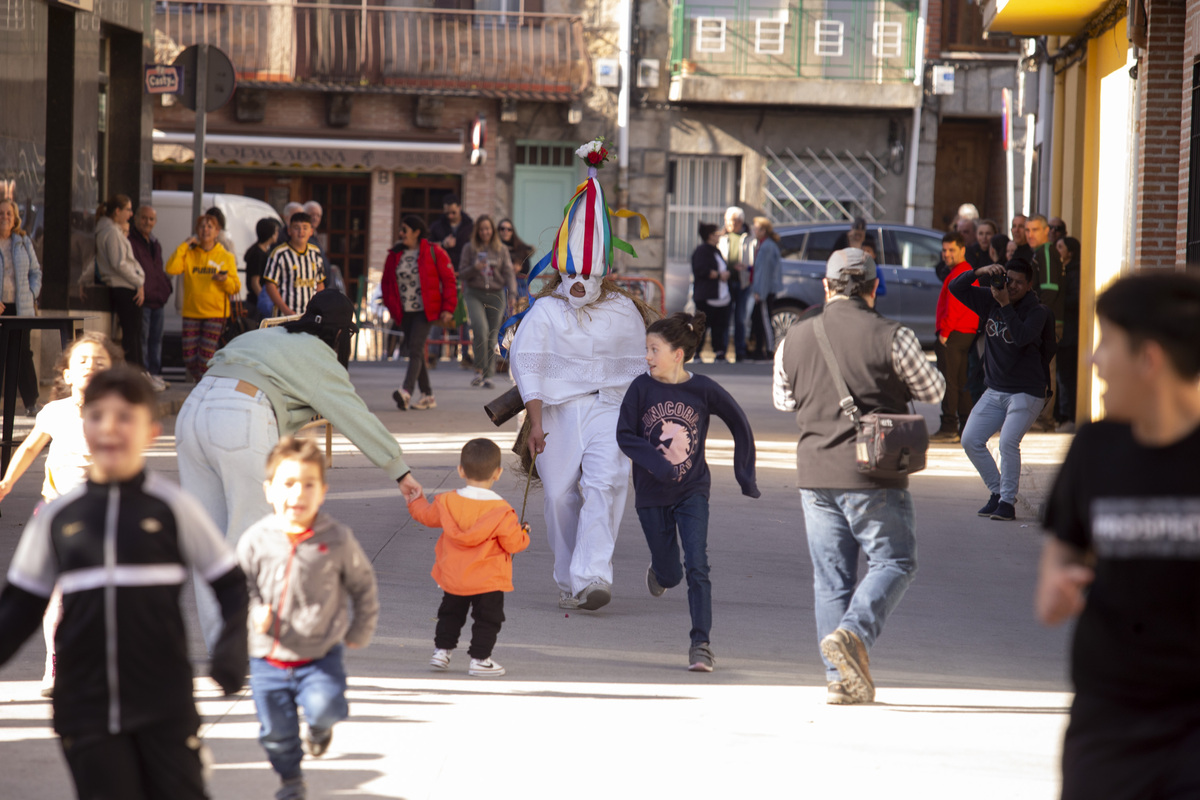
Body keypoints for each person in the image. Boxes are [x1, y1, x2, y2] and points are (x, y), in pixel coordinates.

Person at [0, 366, 248, 800]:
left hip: (164, 704)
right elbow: (18, 607)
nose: (110, 428)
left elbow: (231, 586)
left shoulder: (174, 507)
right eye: (97, 416)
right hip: (84, 706)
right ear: (84, 427)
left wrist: (231, 652)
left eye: (125, 417)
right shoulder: (58, 517)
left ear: (151, 432)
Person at [176, 290, 422, 650]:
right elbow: (355, 416)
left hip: (192, 413)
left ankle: (222, 646)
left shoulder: (264, 335)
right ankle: (249, 645)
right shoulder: (320, 356)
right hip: (239, 417)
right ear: (341, 335)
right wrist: (400, 470)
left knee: (210, 542)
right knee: (251, 539)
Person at [1036, 273, 1200, 800]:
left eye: (1105, 343)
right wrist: (1057, 586)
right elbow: (1058, 559)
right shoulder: (1094, 450)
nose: (1092, 361)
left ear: (1149, 359)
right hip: (1108, 726)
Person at [773, 247, 944, 705]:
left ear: (826, 287)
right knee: (895, 562)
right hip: (874, 472)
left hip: (814, 471)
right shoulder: (894, 334)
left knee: (831, 578)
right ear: (874, 288)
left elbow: (784, 401)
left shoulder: (794, 336)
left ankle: (838, 679)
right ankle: (852, 633)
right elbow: (934, 390)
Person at [507, 136, 654, 611]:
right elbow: (528, 364)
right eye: (571, 274)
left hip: (611, 410)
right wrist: (534, 422)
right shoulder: (545, 311)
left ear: (603, 271)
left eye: (587, 276)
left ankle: (592, 576)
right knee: (557, 498)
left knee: (606, 484)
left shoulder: (623, 310)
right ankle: (569, 575)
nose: (578, 284)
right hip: (557, 413)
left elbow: (640, 370)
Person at [616, 312, 759, 672]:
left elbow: (739, 422)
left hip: (692, 489)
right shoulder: (640, 388)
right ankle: (660, 571)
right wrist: (657, 463)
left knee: (697, 563)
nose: (647, 357)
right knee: (671, 574)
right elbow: (625, 435)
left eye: (654, 349)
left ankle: (701, 644)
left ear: (677, 354)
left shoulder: (703, 389)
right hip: (650, 493)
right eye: (646, 349)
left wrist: (745, 474)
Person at [238, 436, 379, 800]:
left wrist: (360, 628)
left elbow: (363, 585)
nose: (298, 493)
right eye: (288, 484)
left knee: (326, 707)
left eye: (308, 484)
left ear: (322, 492)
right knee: (275, 734)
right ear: (269, 490)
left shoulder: (336, 538)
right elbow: (239, 589)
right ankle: (291, 781)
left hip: (320, 654)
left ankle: (320, 728)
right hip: (268, 659)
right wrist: (254, 612)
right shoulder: (255, 540)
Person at [0, 333, 121, 698]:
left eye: (100, 362)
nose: (91, 367)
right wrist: (5, 482)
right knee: (56, 596)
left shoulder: (117, 412)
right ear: (66, 374)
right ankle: (55, 662)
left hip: (101, 516)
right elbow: (30, 447)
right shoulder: (54, 412)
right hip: (53, 514)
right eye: (82, 361)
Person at [407, 437, 530, 678]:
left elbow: (425, 516)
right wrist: (524, 532)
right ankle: (480, 659)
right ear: (498, 473)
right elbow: (513, 543)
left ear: (461, 470)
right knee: (488, 619)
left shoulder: (446, 502)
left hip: (454, 575)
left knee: (450, 613)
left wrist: (415, 500)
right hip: (488, 579)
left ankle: (441, 652)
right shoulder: (502, 510)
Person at [949, 257, 1054, 522]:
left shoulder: (1037, 311)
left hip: (1027, 391)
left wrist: (1005, 304)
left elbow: (1021, 338)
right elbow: (955, 288)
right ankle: (997, 493)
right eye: (1009, 280)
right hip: (995, 390)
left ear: (1030, 285)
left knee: (1008, 442)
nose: (1013, 286)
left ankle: (1007, 503)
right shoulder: (990, 298)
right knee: (970, 439)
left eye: (1020, 282)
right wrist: (980, 271)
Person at [381, 215, 457, 411]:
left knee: (415, 349)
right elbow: (387, 283)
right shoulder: (394, 254)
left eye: (404, 230)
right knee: (416, 352)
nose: (401, 233)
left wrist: (448, 308)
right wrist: (391, 307)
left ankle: (406, 391)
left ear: (416, 232)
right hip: (404, 311)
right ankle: (428, 395)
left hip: (426, 310)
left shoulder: (433, 252)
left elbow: (449, 280)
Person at [166, 214, 242, 382]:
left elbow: (236, 287)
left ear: (217, 232)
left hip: (215, 314)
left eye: (210, 226)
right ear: (196, 231)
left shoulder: (225, 256)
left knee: (205, 357)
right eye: (202, 226)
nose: (205, 230)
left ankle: (203, 386)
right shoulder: (190, 254)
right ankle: (204, 382)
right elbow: (171, 268)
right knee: (189, 357)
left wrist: (224, 280)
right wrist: (185, 245)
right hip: (192, 311)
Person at [458, 215, 516, 389]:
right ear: (478, 231)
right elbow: (461, 273)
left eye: (488, 229)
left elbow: (508, 273)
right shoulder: (469, 248)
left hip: (496, 294)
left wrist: (512, 293)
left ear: (493, 231)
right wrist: (474, 268)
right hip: (474, 293)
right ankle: (478, 370)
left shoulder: (501, 250)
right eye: (482, 229)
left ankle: (488, 375)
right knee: (479, 329)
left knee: (492, 335)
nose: (485, 232)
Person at [931, 231, 978, 442]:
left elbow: (956, 305)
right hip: (963, 332)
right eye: (944, 250)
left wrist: (945, 332)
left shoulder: (962, 272)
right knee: (960, 381)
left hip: (955, 332)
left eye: (951, 250)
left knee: (949, 381)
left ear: (962, 250)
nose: (946, 254)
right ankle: (964, 426)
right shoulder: (962, 271)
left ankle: (949, 426)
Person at [0, 197, 44, 415]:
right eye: (1, 213)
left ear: (15, 217)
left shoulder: (23, 241)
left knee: (22, 354)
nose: (4, 217)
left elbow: (36, 272)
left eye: (8, 213)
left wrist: (31, 293)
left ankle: (31, 403)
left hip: (20, 307)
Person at [94, 195, 146, 378]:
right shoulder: (111, 232)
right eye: (128, 209)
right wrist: (138, 281)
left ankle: (139, 373)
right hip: (123, 287)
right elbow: (119, 263)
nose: (131, 214)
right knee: (131, 336)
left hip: (126, 284)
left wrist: (140, 280)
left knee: (134, 334)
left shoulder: (111, 230)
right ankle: (135, 375)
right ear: (117, 211)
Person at [1026, 214, 1064, 432]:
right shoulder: (1039, 252)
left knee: (1046, 369)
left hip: (1049, 321)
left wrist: (1037, 317)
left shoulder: (1047, 251)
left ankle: (1044, 420)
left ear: (1046, 230)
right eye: (1027, 230)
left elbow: (1050, 289)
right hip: (1044, 319)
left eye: (1035, 230)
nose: (1030, 234)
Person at [128, 205, 170, 391]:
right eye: (144, 218)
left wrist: (165, 288)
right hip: (143, 300)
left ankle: (155, 375)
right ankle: (144, 376)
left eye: (151, 219)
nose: (147, 222)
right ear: (136, 219)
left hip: (157, 300)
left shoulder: (155, 243)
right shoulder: (131, 241)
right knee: (143, 339)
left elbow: (158, 270)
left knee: (156, 340)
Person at [262, 212, 326, 318]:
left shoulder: (315, 252)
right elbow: (270, 285)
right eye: (296, 228)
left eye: (305, 228)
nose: (301, 232)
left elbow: (320, 283)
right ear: (289, 230)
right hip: (283, 317)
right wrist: (286, 311)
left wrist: (317, 308)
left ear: (311, 231)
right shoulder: (279, 253)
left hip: (308, 316)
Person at [691, 222, 732, 362]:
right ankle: (696, 352)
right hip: (707, 295)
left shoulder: (716, 250)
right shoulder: (702, 251)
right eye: (716, 234)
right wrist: (720, 275)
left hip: (721, 296)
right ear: (709, 236)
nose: (719, 236)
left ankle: (719, 351)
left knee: (719, 326)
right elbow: (701, 270)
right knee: (703, 325)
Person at [718, 206, 752, 362]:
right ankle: (722, 350)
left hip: (743, 283)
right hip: (726, 283)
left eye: (730, 221)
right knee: (724, 317)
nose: (727, 224)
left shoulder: (749, 237)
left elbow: (755, 261)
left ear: (740, 221)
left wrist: (746, 267)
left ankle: (740, 351)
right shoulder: (722, 237)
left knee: (740, 318)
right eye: (726, 220)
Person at [1054, 236, 1082, 430]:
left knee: (1067, 377)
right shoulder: (1061, 270)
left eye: (1060, 247)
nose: (1057, 250)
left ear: (1070, 252)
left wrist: (1057, 300)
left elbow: (1074, 299)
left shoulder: (1074, 273)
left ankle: (1068, 417)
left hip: (1070, 333)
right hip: (1065, 332)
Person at [747, 216, 782, 361]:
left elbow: (764, 272)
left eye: (756, 228)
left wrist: (759, 292)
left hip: (764, 290)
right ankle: (758, 348)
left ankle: (769, 349)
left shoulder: (767, 246)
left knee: (765, 319)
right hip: (763, 288)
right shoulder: (763, 244)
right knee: (757, 319)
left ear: (763, 230)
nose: (754, 231)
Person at [302, 200, 345, 296]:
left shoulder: (315, 236)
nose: (315, 218)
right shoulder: (303, 238)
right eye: (312, 214)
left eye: (318, 215)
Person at [244, 217, 280, 316]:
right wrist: (264, 301)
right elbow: (255, 282)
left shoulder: (265, 251)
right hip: (256, 303)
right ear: (271, 234)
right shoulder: (258, 254)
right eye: (276, 231)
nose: (278, 234)